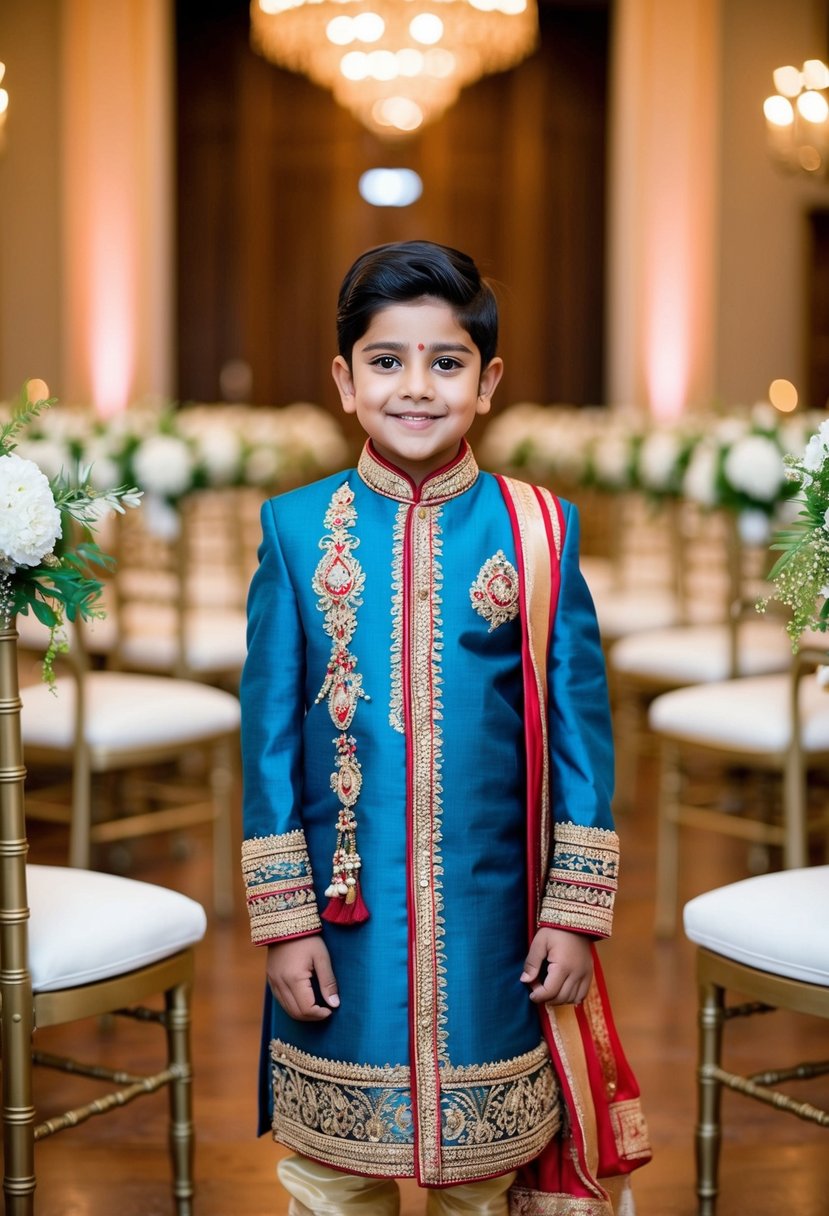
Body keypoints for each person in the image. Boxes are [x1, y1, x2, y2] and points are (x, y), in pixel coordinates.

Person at [240, 240, 650, 1216]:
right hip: (342, 927)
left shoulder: (538, 530)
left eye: (446, 361)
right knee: (334, 1177)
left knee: (486, 1175)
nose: (415, 387)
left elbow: (581, 741)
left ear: (487, 380)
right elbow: (263, 746)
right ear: (345, 380)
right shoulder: (297, 532)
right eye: (386, 361)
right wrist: (283, 922)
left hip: (498, 926)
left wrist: (574, 910)